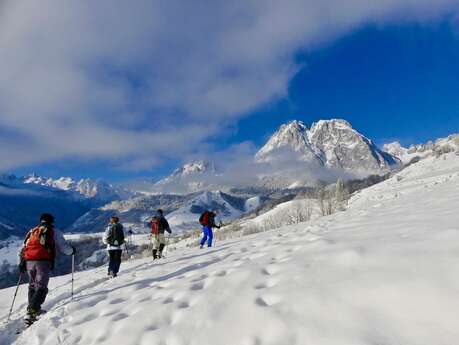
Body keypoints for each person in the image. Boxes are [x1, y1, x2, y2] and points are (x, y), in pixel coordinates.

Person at [18, 213, 75, 326]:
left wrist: (21, 262)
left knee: (32, 285)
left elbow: (23, 246)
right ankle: (32, 312)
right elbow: (63, 247)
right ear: (52, 221)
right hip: (43, 262)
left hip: (29, 261)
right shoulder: (54, 231)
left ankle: (33, 309)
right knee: (41, 287)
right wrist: (72, 251)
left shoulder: (32, 231)